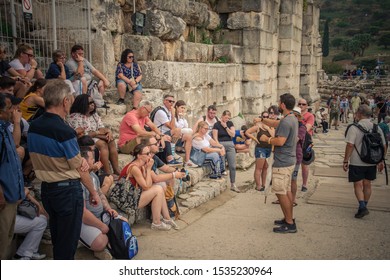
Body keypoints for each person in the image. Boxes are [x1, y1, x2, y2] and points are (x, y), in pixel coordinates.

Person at [27, 80, 100, 260]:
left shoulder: (33, 126)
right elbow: (80, 169)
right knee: (67, 244)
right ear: (65, 101)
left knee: (59, 239)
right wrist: (93, 192)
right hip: (67, 191)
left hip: (48, 190)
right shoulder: (64, 131)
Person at [257, 93, 298, 233]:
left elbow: (280, 141)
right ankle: (288, 217)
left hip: (283, 162)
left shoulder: (286, 121)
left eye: (279, 102)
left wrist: (266, 139)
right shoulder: (291, 118)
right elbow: (276, 123)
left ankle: (289, 223)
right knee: (285, 191)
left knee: (281, 192)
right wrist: (262, 120)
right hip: (289, 160)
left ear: (283, 105)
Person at [79, 148, 122, 260]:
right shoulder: (78, 182)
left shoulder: (93, 176)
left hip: (100, 215)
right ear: (84, 161)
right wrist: (101, 226)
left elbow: (101, 195)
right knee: (100, 242)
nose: (94, 161)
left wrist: (108, 209)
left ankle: (108, 244)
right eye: (92, 158)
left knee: (123, 223)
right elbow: (83, 214)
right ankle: (102, 248)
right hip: (85, 221)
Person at [343, 104, 385, 219]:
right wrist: (380, 160)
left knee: (357, 184)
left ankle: (362, 206)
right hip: (372, 161)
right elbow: (384, 145)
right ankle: (364, 206)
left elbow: (350, 145)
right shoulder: (377, 127)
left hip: (357, 161)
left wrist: (346, 160)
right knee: (367, 184)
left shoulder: (354, 128)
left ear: (360, 114)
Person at [124, 144, 179, 230]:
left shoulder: (143, 165)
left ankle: (167, 218)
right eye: (147, 153)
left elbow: (148, 184)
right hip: (127, 199)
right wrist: (149, 169)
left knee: (159, 187)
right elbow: (146, 186)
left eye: (150, 153)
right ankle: (156, 223)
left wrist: (147, 169)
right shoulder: (134, 167)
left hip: (135, 193)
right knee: (158, 189)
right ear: (139, 156)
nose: (150, 155)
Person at [67, 94, 120, 176]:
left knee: (111, 140)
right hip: (83, 140)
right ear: (83, 104)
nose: (92, 104)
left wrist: (108, 131)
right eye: (90, 102)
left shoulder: (94, 115)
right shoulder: (75, 117)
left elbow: (101, 128)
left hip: (94, 137)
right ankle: (107, 172)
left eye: (93, 102)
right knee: (102, 144)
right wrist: (97, 133)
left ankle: (117, 170)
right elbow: (82, 134)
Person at [0, 93, 25, 260]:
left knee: (8, 237)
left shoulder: (5, 129)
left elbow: (16, 144)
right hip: (3, 197)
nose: (14, 111)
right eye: (10, 108)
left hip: (10, 195)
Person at [13, 187, 47, 260]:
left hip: (11, 217)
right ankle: (25, 254)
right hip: (5, 221)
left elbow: (24, 189)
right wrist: (25, 193)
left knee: (42, 219)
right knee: (41, 223)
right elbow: (12, 204)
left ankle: (24, 254)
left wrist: (37, 203)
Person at [212, 110, 240, 192]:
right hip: (221, 144)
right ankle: (223, 184)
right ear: (222, 116)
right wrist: (220, 147)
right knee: (222, 166)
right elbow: (215, 138)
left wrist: (225, 127)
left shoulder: (230, 124)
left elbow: (233, 134)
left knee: (232, 166)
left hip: (230, 144)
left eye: (228, 118)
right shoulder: (216, 125)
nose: (227, 119)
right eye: (226, 117)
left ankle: (233, 184)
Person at [246, 111, 274, 192]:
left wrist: (268, 128)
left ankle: (264, 184)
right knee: (259, 167)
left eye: (266, 117)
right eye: (263, 117)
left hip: (268, 148)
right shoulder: (258, 126)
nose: (265, 118)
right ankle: (258, 185)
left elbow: (273, 136)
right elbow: (247, 132)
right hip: (260, 148)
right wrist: (254, 139)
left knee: (265, 167)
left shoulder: (270, 126)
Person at [152, 94, 182, 164]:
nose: (171, 103)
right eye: (170, 101)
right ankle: (171, 156)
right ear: (164, 101)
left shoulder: (168, 111)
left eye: (173, 102)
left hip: (166, 132)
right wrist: (173, 115)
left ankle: (174, 153)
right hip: (159, 133)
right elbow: (172, 127)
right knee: (176, 131)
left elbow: (175, 126)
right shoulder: (161, 112)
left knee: (186, 134)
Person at [173, 100, 197, 167]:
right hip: (174, 135)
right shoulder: (173, 116)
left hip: (180, 136)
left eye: (184, 108)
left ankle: (187, 160)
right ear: (177, 107)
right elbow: (176, 127)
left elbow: (186, 127)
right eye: (181, 107)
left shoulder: (182, 118)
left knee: (189, 136)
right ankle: (176, 148)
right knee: (188, 131)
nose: (183, 109)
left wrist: (183, 117)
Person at [298, 98, 314, 192]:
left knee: (305, 164)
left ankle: (304, 184)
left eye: (303, 104)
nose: (301, 105)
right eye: (299, 104)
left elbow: (307, 128)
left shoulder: (310, 116)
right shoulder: (295, 114)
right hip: (297, 141)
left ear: (306, 105)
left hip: (307, 142)